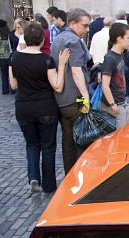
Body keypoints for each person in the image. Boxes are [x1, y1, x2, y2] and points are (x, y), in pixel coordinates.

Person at [9, 23, 70, 194]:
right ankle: (49, 185)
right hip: (45, 107)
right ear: (43, 40)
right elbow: (57, 86)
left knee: (31, 144)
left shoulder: (14, 57)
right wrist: (62, 65)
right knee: (48, 147)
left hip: (23, 108)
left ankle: (33, 177)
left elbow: (13, 84)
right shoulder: (46, 60)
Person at [50, 8, 91, 175]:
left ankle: (70, 176)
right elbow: (76, 71)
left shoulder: (58, 38)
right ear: (73, 23)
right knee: (82, 139)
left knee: (67, 141)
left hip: (60, 99)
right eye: (85, 26)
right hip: (74, 99)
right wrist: (86, 96)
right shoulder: (73, 41)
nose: (87, 29)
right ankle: (81, 175)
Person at [101, 23, 129, 129]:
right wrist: (112, 104)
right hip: (115, 106)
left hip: (122, 103)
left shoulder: (120, 55)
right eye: (128, 37)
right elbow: (105, 84)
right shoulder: (110, 58)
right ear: (119, 39)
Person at [0, 20, 12, 95]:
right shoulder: (9, 34)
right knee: (11, 73)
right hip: (10, 56)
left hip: (2, 56)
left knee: (4, 74)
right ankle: (12, 89)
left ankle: (5, 90)